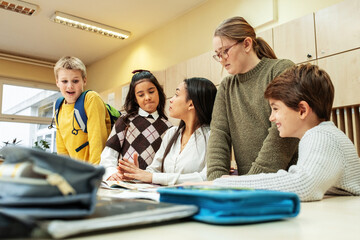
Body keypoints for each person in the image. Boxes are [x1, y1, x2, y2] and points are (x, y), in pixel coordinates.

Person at [211, 64, 360, 201]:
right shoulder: (320, 134)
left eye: (275, 109)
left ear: (302, 110)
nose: (271, 117)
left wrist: (227, 183)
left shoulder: (321, 136)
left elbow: (303, 185)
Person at [207, 16, 299, 180]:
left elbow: (282, 134)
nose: (221, 60)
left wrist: (251, 182)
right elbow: (218, 136)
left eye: (225, 51)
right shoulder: (226, 87)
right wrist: (216, 182)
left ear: (247, 44)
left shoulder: (280, 70)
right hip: (250, 185)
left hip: (289, 180)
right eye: (217, 55)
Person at [118, 77, 217, 186]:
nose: (171, 99)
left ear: (191, 104)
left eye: (177, 94)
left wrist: (153, 177)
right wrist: (136, 173)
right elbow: (154, 171)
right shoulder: (171, 133)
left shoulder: (213, 136)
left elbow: (206, 177)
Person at [100, 70, 172, 181]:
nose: (147, 97)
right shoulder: (124, 121)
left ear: (159, 92)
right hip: (123, 184)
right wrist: (112, 173)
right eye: (141, 95)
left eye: (151, 91)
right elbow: (108, 156)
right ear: (135, 98)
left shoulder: (169, 128)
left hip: (151, 186)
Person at [54, 56, 111, 164]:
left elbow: (97, 141)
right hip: (77, 172)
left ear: (84, 81)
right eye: (64, 81)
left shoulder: (91, 99)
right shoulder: (58, 106)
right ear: (57, 83)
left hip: (96, 170)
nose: (70, 86)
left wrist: (95, 174)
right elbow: (61, 148)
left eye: (75, 81)